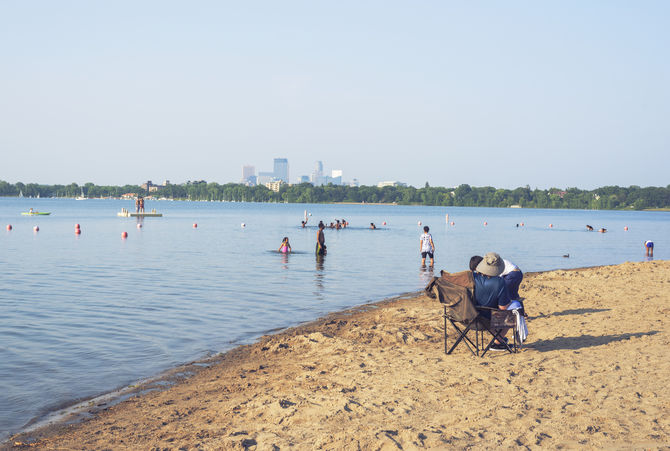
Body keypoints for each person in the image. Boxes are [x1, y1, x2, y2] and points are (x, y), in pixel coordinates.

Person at [473, 252, 513, 351]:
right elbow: (503, 308)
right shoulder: (500, 282)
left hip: (468, 317)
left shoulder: (471, 277)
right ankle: (498, 341)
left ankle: (498, 340)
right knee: (512, 314)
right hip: (488, 320)